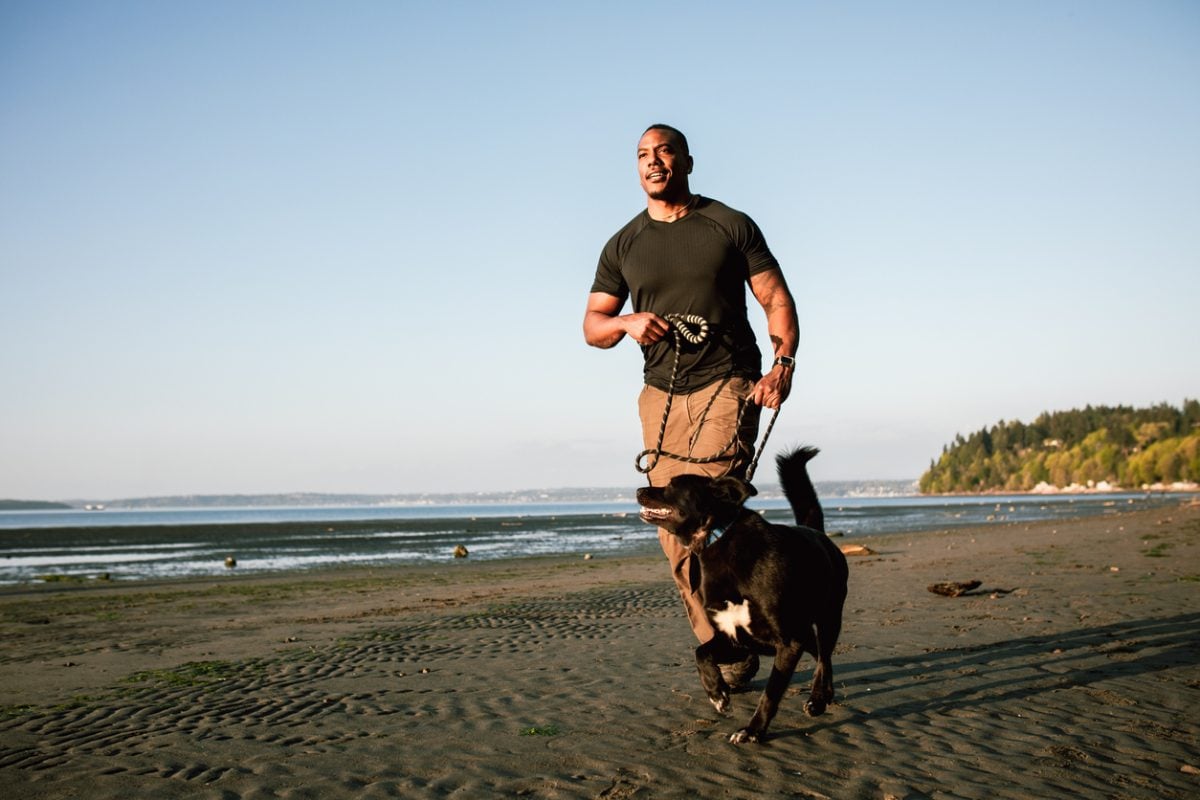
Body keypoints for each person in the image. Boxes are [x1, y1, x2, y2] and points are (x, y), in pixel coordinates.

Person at [583, 124, 799, 685]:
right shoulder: (623, 244)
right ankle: (723, 643)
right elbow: (593, 325)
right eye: (641, 156)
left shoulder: (729, 224)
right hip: (660, 399)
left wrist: (783, 365)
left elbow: (774, 296)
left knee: (714, 519)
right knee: (672, 534)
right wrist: (626, 321)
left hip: (728, 384)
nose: (653, 162)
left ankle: (753, 623)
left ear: (686, 161)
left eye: (664, 152)